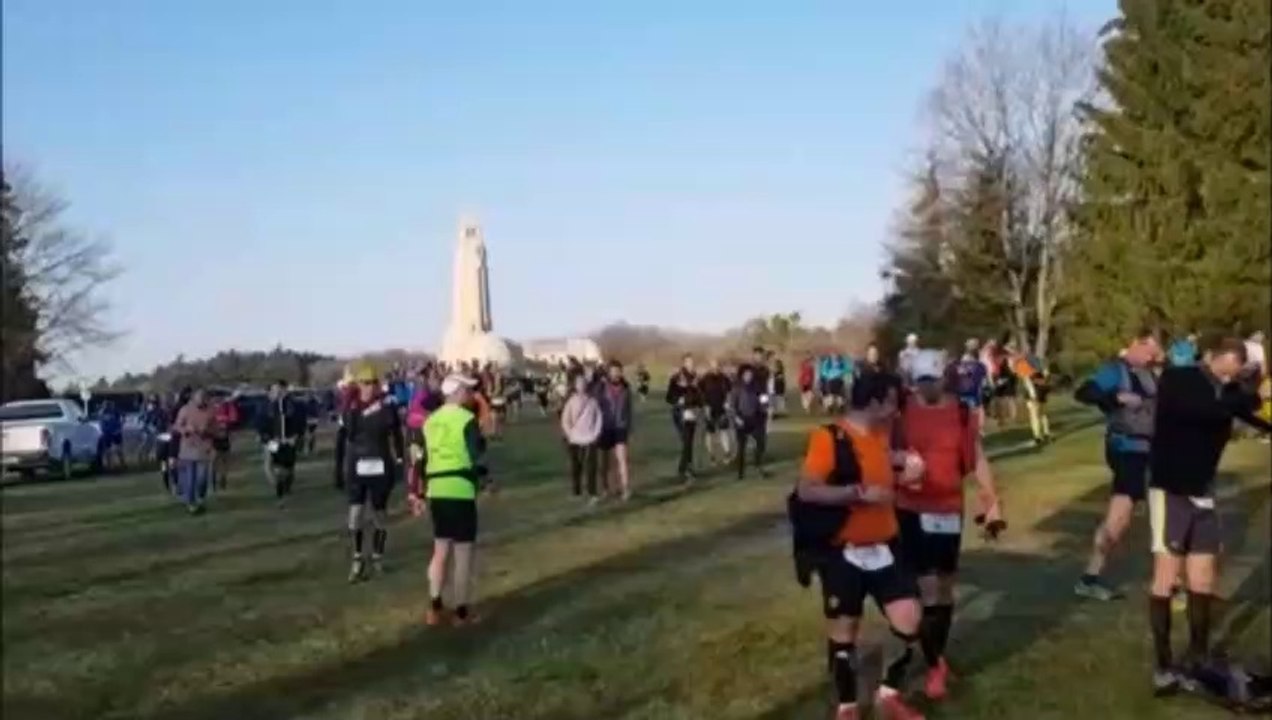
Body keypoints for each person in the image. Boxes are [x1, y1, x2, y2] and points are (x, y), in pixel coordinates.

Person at [795, 370, 927, 720]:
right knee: (844, 631)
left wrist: (907, 470)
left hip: (886, 547)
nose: (898, 409)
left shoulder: (881, 435)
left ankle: (889, 693)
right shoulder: (829, 437)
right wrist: (858, 494)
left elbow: (884, 464)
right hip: (842, 551)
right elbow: (808, 489)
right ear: (875, 402)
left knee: (909, 619)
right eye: (893, 402)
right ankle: (848, 705)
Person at [1146, 338, 1271, 694]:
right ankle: (1164, 665)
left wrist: (1257, 407)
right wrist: (1246, 397)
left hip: (1203, 494)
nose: (1233, 374)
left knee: (1203, 579)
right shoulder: (1179, 379)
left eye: (1239, 369)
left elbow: (1249, 413)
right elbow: (1207, 411)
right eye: (1230, 366)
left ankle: (1198, 657)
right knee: (1166, 578)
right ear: (1214, 356)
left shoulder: (1228, 392)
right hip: (1171, 490)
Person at [895, 350, 1003, 702]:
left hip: (947, 511)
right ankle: (934, 666)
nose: (926, 387)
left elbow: (978, 460)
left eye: (932, 380)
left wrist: (992, 503)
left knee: (943, 590)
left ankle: (935, 658)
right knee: (926, 589)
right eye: (921, 381)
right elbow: (879, 453)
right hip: (909, 509)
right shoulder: (900, 411)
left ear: (945, 378)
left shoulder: (960, 412)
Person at [1073, 330, 1161, 601]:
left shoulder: (1149, 374)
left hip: (1149, 451)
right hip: (1126, 450)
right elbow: (1085, 392)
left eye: (1155, 354)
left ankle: (1170, 578)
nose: (1151, 358)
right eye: (1149, 352)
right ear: (1135, 343)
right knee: (1120, 515)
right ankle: (1090, 578)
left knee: (1160, 511)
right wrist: (1116, 399)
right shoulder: (1115, 371)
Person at [410, 374, 487, 627]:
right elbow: (477, 455)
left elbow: (420, 458)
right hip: (461, 489)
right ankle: (461, 612)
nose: (469, 394)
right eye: (466, 389)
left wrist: (419, 491)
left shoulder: (430, 421)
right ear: (455, 392)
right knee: (463, 553)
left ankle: (434, 607)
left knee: (440, 550)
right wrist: (487, 480)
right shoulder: (466, 419)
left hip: (437, 490)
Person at [339, 362, 406, 582]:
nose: (369, 387)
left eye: (372, 383)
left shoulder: (387, 406)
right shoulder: (351, 406)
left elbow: (396, 434)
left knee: (379, 514)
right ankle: (357, 558)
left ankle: (377, 556)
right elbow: (345, 435)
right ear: (357, 384)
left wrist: (398, 460)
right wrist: (338, 468)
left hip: (380, 464)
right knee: (355, 515)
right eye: (364, 383)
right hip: (357, 464)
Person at [173, 389, 219, 515]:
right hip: (188, 447)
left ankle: (200, 496)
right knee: (190, 477)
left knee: (202, 478)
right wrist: (186, 429)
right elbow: (176, 426)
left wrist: (208, 431)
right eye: (199, 398)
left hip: (204, 448)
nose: (201, 401)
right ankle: (191, 503)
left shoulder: (211, 411)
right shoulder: (185, 410)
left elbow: (217, 429)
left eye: (204, 398)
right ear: (194, 398)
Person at [560, 373, 603, 503]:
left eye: (583, 383)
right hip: (575, 440)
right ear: (575, 386)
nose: (581, 386)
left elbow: (599, 418)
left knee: (591, 468)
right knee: (576, 467)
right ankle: (576, 492)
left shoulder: (593, 401)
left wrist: (595, 434)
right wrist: (570, 434)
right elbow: (565, 419)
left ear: (586, 385)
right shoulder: (571, 402)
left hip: (590, 439)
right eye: (579, 383)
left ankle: (592, 493)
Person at [596, 360, 635, 500]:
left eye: (618, 371)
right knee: (604, 462)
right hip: (605, 427)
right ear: (609, 372)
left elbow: (629, 409)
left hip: (620, 427)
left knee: (622, 459)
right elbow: (595, 406)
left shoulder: (626, 388)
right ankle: (605, 488)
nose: (616, 374)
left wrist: (629, 428)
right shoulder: (601, 387)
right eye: (613, 371)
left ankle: (625, 488)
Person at [260, 380, 302, 508]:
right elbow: (263, 423)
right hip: (275, 441)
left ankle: (286, 487)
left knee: (288, 469)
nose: (277, 392)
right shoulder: (268, 407)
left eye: (280, 389)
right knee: (277, 470)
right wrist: (267, 438)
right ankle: (280, 497)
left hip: (289, 441)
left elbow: (300, 421)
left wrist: (296, 435)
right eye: (275, 390)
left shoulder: (293, 405)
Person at [665, 354, 702, 482]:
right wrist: (678, 400)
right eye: (689, 362)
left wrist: (700, 405)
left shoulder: (696, 378)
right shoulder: (677, 378)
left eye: (693, 361)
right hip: (680, 413)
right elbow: (669, 397)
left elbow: (699, 396)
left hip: (692, 413)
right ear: (684, 363)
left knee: (689, 442)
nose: (691, 364)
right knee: (686, 441)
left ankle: (687, 468)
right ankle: (684, 470)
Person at [729, 365, 768, 479]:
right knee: (741, 446)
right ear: (742, 376)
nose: (748, 377)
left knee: (760, 443)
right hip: (741, 419)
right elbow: (732, 406)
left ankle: (758, 466)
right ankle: (740, 472)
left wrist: (764, 408)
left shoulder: (757, 387)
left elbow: (763, 401)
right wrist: (736, 418)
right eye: (746, 375)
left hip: (755, 419)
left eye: (750, 374)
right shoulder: (737, 389)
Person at [698, 359, 734, 466]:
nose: (715, 368)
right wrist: (704, 405)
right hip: (710, 409)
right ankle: (712, 456)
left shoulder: (724, 378)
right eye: (713, 366)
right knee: (710, 433)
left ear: (719, 366)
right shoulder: (705, 378)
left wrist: (728, 402)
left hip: (722, 409)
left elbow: (730, 391)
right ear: (710, 366)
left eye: (717, 366)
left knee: (724, 431)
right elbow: (700, 392)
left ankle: (727, 453)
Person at [950, 339, 990, 434]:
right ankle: (977, 430)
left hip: (961, 395)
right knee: (976, 414)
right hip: (974, 396)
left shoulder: (957, 366)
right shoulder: (979, 366)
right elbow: (984, 382)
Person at [211, 394, 239, 492]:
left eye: (218, 398)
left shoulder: (227, 406)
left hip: (224, 436)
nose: (216, 400)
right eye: (214, 398)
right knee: (214, 459)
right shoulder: (209, 408)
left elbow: (234, 418)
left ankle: (222, 477)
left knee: (224, 459)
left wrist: (225, 423)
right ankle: (214, 479)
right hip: (213, 437)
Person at [97, 400, 126, 471]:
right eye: (105, 405)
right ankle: (110, 465)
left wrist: (120, 425)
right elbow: (101, 423)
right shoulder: (102, 412)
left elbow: (123, 416)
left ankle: (122, 463)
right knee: (108, 450)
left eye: (108, 405)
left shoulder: (115, 411)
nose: (106, 407)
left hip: (115, 432)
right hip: (107, 433)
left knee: (119, 449)